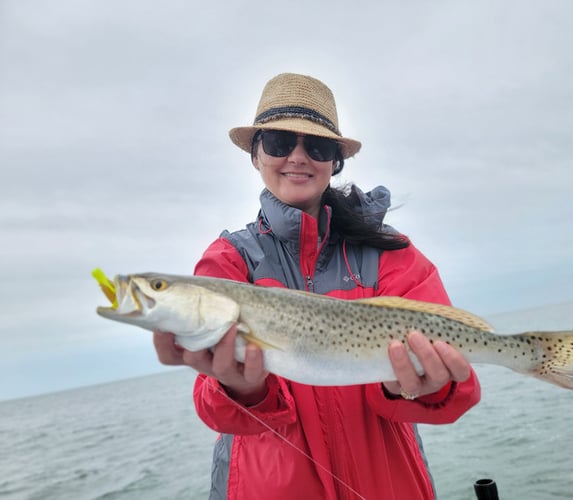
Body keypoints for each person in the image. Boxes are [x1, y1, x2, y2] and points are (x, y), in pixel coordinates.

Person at [153, 72, 481, 499]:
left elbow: (460, 390)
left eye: (318, 146)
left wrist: (424, 385)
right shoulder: (227, 260)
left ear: (335, 162)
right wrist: (242, 389)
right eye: (278, 143)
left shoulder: (392, 253)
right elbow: (214, 407)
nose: (298, 157)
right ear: (255, 155)